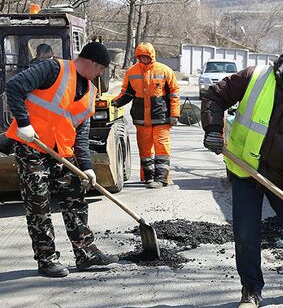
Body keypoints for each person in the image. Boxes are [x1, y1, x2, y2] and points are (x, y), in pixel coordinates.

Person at [201, 48, 283, 308]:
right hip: (246, 171)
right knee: (246, 233)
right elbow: (215, 97)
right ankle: (251, 289)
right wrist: (213, 130)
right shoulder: (256, 77)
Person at [5, 42, 119, 278]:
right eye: (100, 69)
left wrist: (87, 168)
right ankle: (47, 259)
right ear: (91, 62)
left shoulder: (90, 93)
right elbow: (14, 86)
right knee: (38, 203)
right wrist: (24, 124)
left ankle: (86, 253)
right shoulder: (53, 69)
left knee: (75, 197)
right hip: (32, 146)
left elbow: (82, 135)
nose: (101, 75)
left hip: (61, 152)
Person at [112, 43, 180, 189]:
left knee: (161, 149)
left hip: (161, 118)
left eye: (146, 56)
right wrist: (115, 103)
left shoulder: (164, 71)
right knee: (145, 150)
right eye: (141, 56)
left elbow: (174, 94)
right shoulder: (132, 72)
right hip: (141, 119)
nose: (144, 59)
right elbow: (127, 93)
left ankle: (161, 179)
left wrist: (175, 114)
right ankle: (148, 177)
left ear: (152, 56)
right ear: (137, 56)